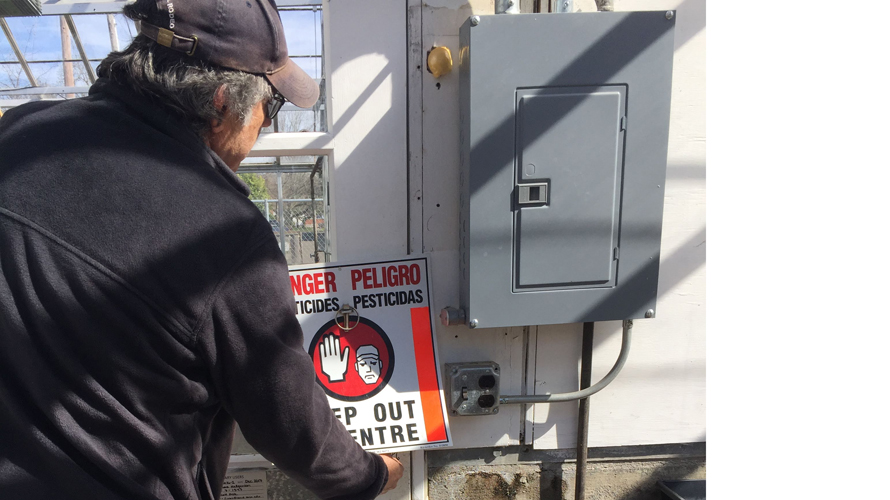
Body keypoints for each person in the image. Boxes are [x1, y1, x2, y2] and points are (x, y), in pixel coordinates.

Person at [0, 0, 403, 498]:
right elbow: (294, 426)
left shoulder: (18, 136)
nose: (269, 126)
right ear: (220, 102)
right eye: (270, 104)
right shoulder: (224, 237)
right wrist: (372, 473)